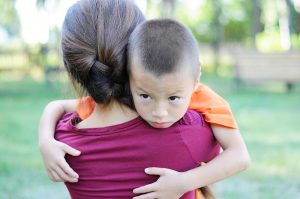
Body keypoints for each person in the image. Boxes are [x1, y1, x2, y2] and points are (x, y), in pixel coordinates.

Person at [38, 0, 250, 198]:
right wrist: (45, 140)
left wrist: (47, 140)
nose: (160, 112)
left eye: (173, 98)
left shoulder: (65, 141)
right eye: (146, 96)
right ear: (130, 62)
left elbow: (239, 155)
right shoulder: (195, 132)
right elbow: (57, 105)